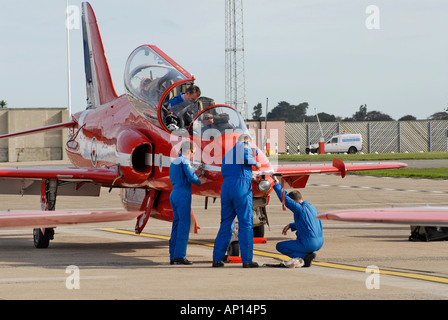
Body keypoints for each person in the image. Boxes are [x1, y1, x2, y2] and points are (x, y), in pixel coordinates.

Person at [212, 134, 261, 268]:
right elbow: (246, 157)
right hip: (241, 189)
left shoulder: (228, 154)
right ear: (247, 141)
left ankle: (217, 259)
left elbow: (234, 171)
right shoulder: (243, 145)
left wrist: (251, 175)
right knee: (245, 223)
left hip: (226, 189)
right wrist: (257, 164)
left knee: (226, 224)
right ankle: (247, 260)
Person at [272, 176, 324, 268]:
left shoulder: (299, 208)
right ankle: (306, 254)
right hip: (319, 242)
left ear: (294, 202)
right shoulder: (311, 207)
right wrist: (292, 225)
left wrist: (276, 183)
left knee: (279, 246)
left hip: (309, 243)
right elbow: (309, 223)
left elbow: (284, 198)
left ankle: (305, 257)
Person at [169, 140, 202, 265]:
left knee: (176, 225)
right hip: (183, 194)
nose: (193, 155)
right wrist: (200, 181)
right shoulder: (185, 161)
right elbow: (191, 177)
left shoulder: (174, 162)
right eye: (193, 153)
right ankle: (180, 256)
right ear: (189, 151)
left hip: (174, 193)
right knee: (184, 225)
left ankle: (173, 255)